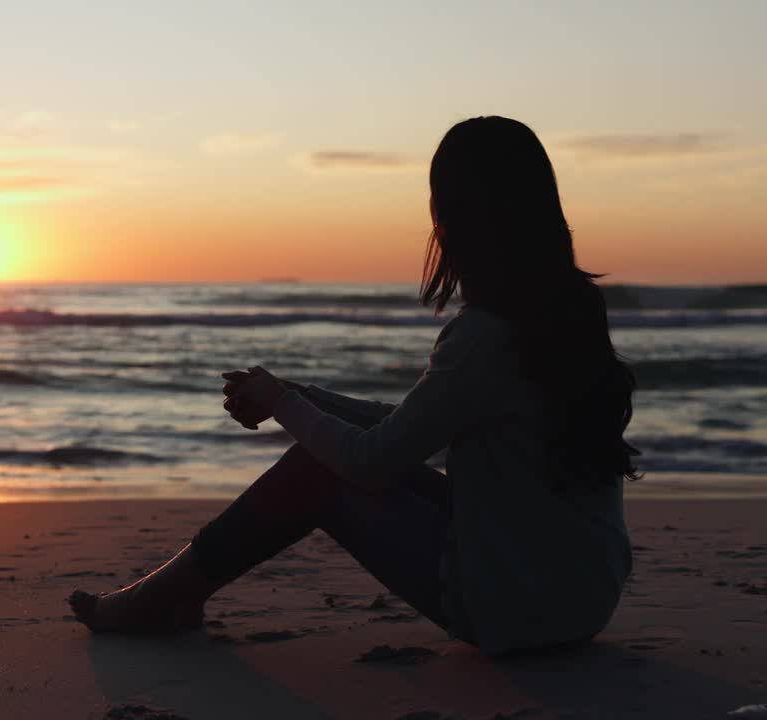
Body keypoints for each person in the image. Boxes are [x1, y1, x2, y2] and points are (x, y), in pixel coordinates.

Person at [67, 116, 640, 657]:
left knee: (316, 471)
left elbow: (370, 465)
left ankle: (161, 600)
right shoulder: (571, 310)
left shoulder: (485, 334)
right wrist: (301, 395)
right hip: (583, 599)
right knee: (346, 451)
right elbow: (416, 425)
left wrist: (282, 404)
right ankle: (174, 595)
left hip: (514, 612)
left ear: (456, 215)